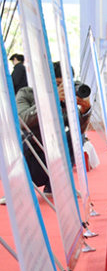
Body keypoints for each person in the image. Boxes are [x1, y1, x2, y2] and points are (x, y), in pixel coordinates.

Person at [16, 61, 92, 193]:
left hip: (51, 157)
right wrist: (51, 100)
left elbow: (78, 130)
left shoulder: (66, 103)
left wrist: (85, 111)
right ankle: (17, 190)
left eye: (65, 85)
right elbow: (23, 121)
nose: (62, 89)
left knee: (76, 137)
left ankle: (54, 186)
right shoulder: (26, 93)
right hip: (29, 158)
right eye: (57, 85)